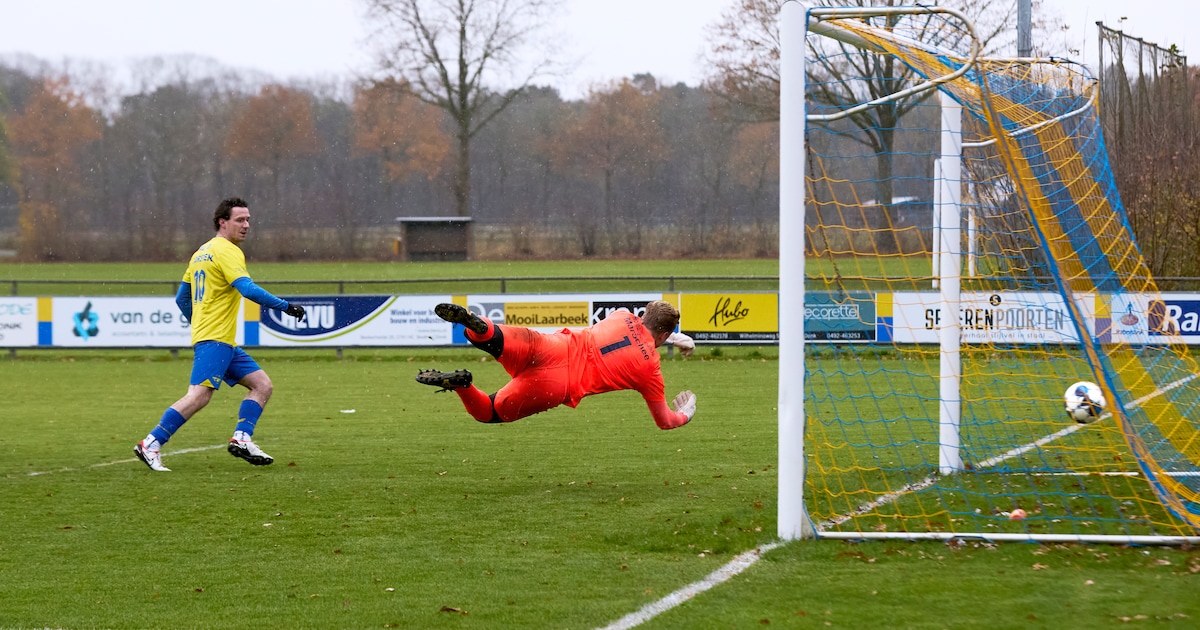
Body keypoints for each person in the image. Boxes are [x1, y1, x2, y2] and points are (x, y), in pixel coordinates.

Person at [134, 197, 307, 472]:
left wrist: (200, 322)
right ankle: (151, 443)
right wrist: (285, 306)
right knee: (199, 396)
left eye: (248, 219)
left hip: (219, 339)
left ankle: (241, 439)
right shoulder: (228, 251)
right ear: (222, 222)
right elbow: (248, 290)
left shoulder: (201, 252)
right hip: (215, 339)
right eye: (240, 220)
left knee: (262, 385)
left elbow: (182, 298)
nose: (246, 225)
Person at [416, 301, 697, 429]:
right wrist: (686, 413)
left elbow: (643, 329)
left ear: (643, 313)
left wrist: (671, 336)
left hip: (551, 347)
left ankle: (477, 325)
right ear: (663, 335)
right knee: (488, 412)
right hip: (558, 384)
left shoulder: (622, 315)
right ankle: (464, 385)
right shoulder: (650, 370)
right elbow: (665, 422)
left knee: (492, 339)